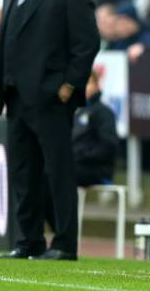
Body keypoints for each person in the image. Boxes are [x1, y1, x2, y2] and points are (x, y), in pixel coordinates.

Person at [0, 0, 100, 261]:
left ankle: (65, 243)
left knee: (57, 171)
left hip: (51, 98)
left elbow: (87, 43)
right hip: (16, 96)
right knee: (23, 171)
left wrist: (68, 86)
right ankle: (29, 240)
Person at [45, 70, 119, 233]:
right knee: (43, 176)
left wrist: (78, 156)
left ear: (97, 85)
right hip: (73, 165)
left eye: (88, 83)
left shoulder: (103, 112)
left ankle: (64, 231)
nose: (84, 88)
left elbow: (108, 146)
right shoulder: (72, 110)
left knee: (56, 175)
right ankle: (58, 229)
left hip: (95, 170)